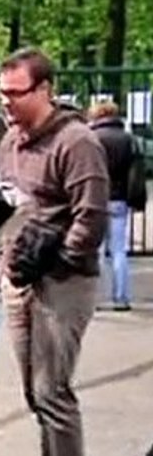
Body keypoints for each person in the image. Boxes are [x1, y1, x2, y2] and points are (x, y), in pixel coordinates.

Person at [0, 48, 109, 456]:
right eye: (1, 93)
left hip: (63, 283)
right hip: (20, 279)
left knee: (53, 391)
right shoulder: (11, 141)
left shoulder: (76, 141)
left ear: (44, 90)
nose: (6, 103)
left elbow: (93, 216)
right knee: (33, 390)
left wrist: (57, 257)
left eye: (16, 94)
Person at [88, 100, 134, 311]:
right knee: (119, 251)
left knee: (96, 251)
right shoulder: (127, 139)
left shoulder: (91, 138)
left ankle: (94, 300)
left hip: (95, 198)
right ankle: (121, 298)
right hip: (119, 199)